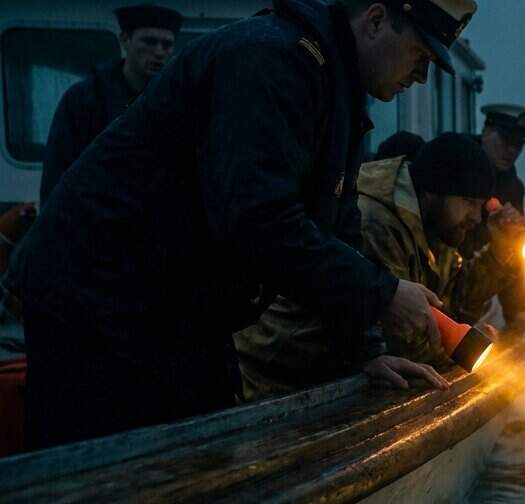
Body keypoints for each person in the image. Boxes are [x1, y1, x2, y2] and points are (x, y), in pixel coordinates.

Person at [4, 0, 477, 449]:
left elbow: (337, 230)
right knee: (102, 483)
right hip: (97, 303)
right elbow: (255, 218)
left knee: (199, 446)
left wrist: (364, 350)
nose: (422, 74)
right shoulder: (268, 60)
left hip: (173, 308)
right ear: (375, 21)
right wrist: (383, 294)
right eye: (420, 52)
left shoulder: (336, 94)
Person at [236, 132, 494, 398]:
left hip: (325, 375)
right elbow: (401, 338)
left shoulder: (437, 227)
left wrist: (498, 259)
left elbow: (449, 302)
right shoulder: (376, 221)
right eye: (468, 202)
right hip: (277, 378)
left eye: (480, 206)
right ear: (432, 192)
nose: (476, 217)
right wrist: (461, 346)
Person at [40, 4, 184, 203]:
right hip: (94, 218)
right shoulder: (84, 100)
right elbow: (58, 169)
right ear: (125, 40)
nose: (159, 52)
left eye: (167, 45)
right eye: (149, 41)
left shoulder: (175, 104)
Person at [453, 103, 525, 324]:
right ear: (486, 132)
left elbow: (514, 252)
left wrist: (516, 312)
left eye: (518, 145)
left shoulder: (512, 188)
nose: (512, 151)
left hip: (476, 287)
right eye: (506, 141)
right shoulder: (454, 164)